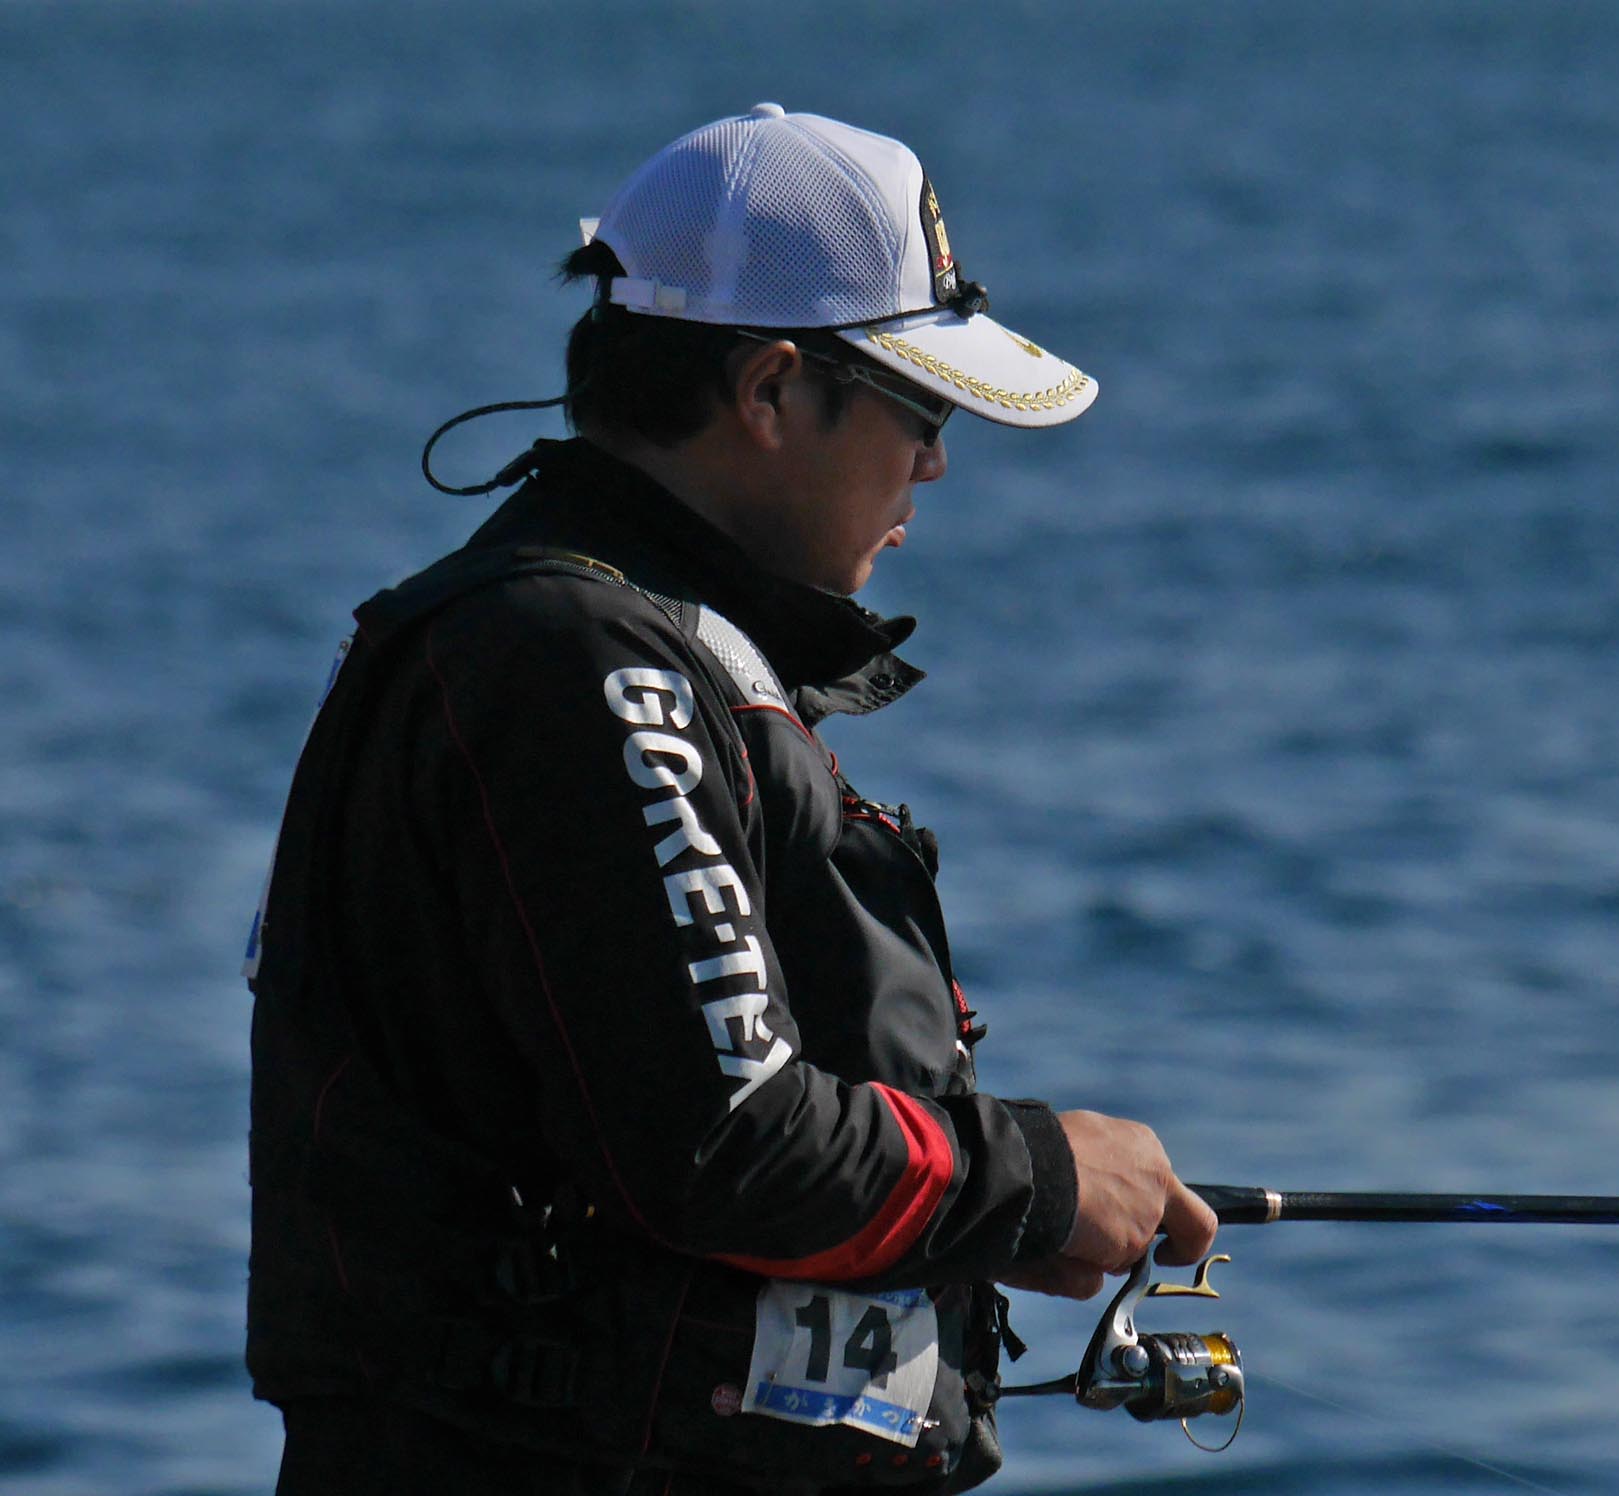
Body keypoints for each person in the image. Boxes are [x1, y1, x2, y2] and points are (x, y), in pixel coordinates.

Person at [245, 103, 1218, 1495]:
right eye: (921, 408)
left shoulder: (614, 647)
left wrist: (996, 1213)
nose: (935, 461)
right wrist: (1042, 1180)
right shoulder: (582, 666)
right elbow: (725, 1143)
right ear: (767, 392)